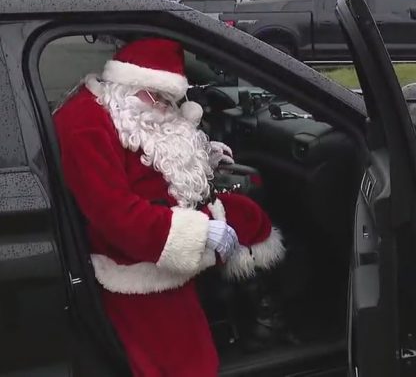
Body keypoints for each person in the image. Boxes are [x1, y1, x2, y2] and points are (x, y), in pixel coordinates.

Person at [53, 36, 286, 376]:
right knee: (187, 366)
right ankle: (256, 321)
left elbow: (157, 152)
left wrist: (205, 156)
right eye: (159, 98)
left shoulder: (131, 108)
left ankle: (260, 321)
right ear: (131, 80)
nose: (165, 108)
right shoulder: (87, 122)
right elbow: (115, 215)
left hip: (170, 220)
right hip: (136, 264)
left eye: (170, 100)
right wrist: (202, 232)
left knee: (249, 217)